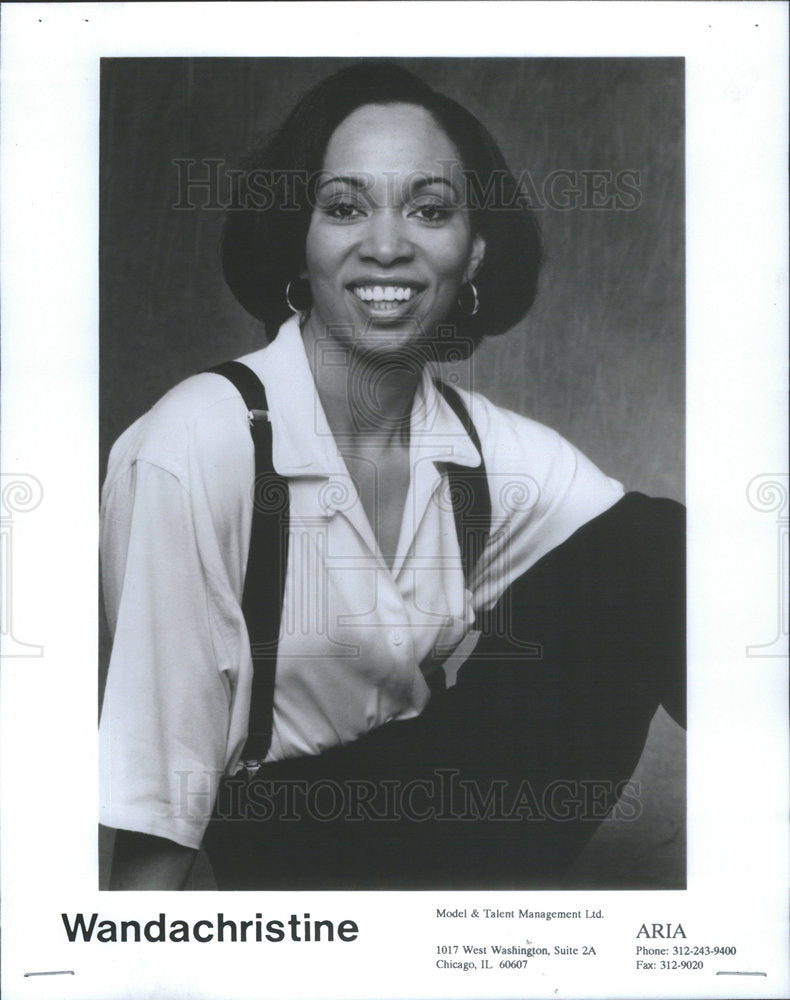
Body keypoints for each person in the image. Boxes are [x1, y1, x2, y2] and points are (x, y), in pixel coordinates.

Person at [99, 61, 684, 890]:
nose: (385, 245)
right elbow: (159, 781)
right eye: (343, 208)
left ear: (474, 248)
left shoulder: (479, 447)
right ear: (298, 240)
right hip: (298, 861)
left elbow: (671, 573)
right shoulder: (197, 444)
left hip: (451, 829)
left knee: (660, 546)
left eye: (430, 209)